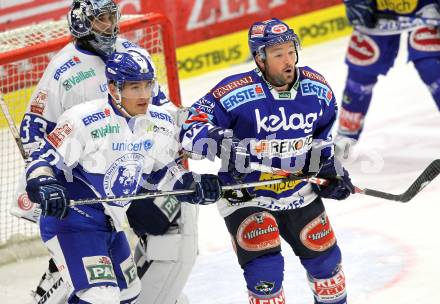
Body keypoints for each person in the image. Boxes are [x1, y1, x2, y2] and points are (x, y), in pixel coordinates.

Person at [13, 1, 193, 303]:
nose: (110, 26)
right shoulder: (63, 69)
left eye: (112, 17)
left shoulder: (131, 55)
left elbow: (160, 109)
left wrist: (184, 140)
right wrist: (43, 173)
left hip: (123, 169)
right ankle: (61, 277)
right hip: (80, 178)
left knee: (147, 251)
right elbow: (34, 125)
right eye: (101, 20)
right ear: (82, 23)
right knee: (93, 277)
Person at [25, 50, 221, 304]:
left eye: (147, 85)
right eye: (134, 87)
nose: (143, 95)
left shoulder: (159, 122)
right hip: (73, 222)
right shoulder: (83, 119)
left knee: (129, 293)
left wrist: (192, 184)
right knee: (99, 297)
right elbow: (42, 159)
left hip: (111, 224)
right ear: (112, 88)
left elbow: (163, 172)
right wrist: (44, 183)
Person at [181, 18, 355, 304]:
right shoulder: (235, 92)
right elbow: (190, 125)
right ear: (259, 58)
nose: (288, 61)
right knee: (266, 276)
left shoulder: (317, 89)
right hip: (246, 195)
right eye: (278, 55)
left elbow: (322, 140)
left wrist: (330, 172)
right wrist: (223, 145)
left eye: (290, 51)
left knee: (328, 271)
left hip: (299, 192)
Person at [335, 0, 440, 157]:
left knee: (431, 66)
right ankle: (345, 136)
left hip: (426, 6)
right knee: (360, 74)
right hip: (377, 8)